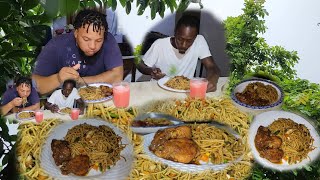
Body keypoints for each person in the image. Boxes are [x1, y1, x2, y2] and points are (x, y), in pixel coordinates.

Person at [32, 9, 123, 95]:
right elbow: (37, 85)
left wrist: (79, 81)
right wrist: (58, 78)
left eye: (99, 40)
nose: (92, 46)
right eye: (86, 39)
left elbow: (117, 76)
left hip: (99, 99)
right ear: (75, 33)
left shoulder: (108, 39)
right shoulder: (56, 45)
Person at [136, 15, 220, 92]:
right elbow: (141, 65)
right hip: (159, 90)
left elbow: (211, 66)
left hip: (185, 91)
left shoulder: (199, 41)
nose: (184, 45)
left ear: (195, 38)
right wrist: (151, 71)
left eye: (189, 41)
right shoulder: (160, 44)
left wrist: (212, 79)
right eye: (180, 39)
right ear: (175, 33)